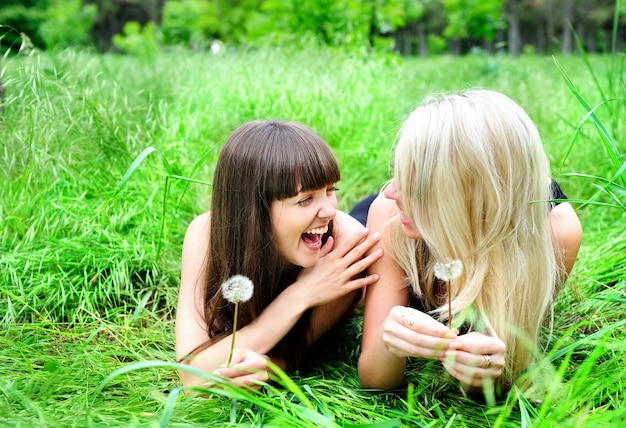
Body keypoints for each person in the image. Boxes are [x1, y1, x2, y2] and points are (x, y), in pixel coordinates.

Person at [357, 89, 582, 398]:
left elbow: (499, 372)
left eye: (414, 184)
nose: (393, 191)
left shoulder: (553, 231)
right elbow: (375, 379)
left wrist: (482, 372)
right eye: (400, 172)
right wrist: (387, 342)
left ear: (466, 195)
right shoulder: (391, 212)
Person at [175, 120, 383, 389]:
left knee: (370, 209)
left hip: (354, 222)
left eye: (331, 191)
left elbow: (290, 354)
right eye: (305, 199)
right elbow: (191, 375)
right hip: (305, 235)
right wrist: (302, 293)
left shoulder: (346, 249)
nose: (329, 209)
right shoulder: (206, 233)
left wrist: (264, 369)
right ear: (253, 210)